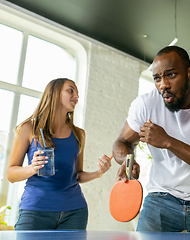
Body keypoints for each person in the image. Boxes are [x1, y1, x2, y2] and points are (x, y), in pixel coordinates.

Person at [112, 46, 190, 233]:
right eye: (157, 78)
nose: (163, 84)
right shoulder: (146, 104)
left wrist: (168, 142)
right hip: (159, 198)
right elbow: (122, 142)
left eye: (171, 75)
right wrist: (126, 160)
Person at [7, 78, 112, 230]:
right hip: (36, 210)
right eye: (71, 90)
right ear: (53, 92)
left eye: (77, 92)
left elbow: (77, 175)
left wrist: (99, 173)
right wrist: (31, 168)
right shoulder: (28, 128)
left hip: (75, 212)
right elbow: (11, 174)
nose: (76, 96)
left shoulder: (78, 134)